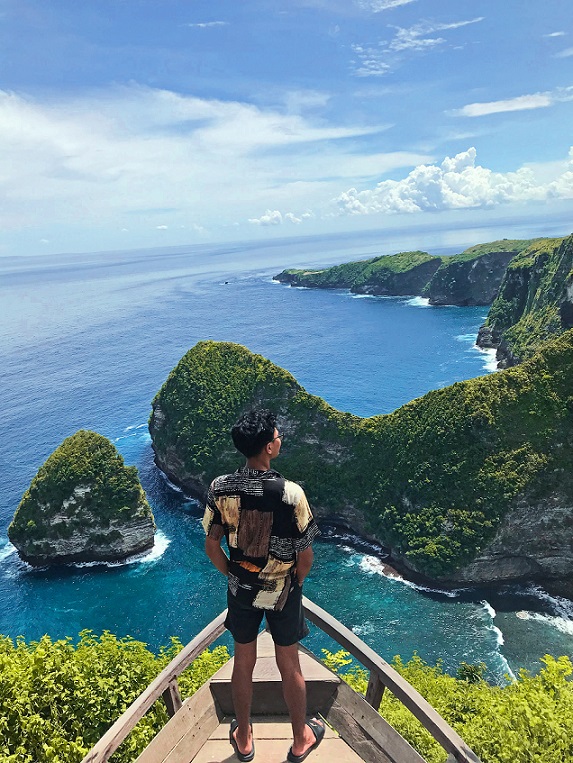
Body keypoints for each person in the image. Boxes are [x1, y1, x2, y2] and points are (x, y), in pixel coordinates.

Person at [203, 409, 325, 763]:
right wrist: (296, 583)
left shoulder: (220, 488)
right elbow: (306, 558)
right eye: (277, 434)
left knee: (243, 661)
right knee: (290, 663)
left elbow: (212, 545)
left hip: (241, 587)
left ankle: (243, 738)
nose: (280, 437)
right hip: (282, 590)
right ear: (269, 447)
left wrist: (232, 573)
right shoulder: (291, 494)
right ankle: (301, 738)